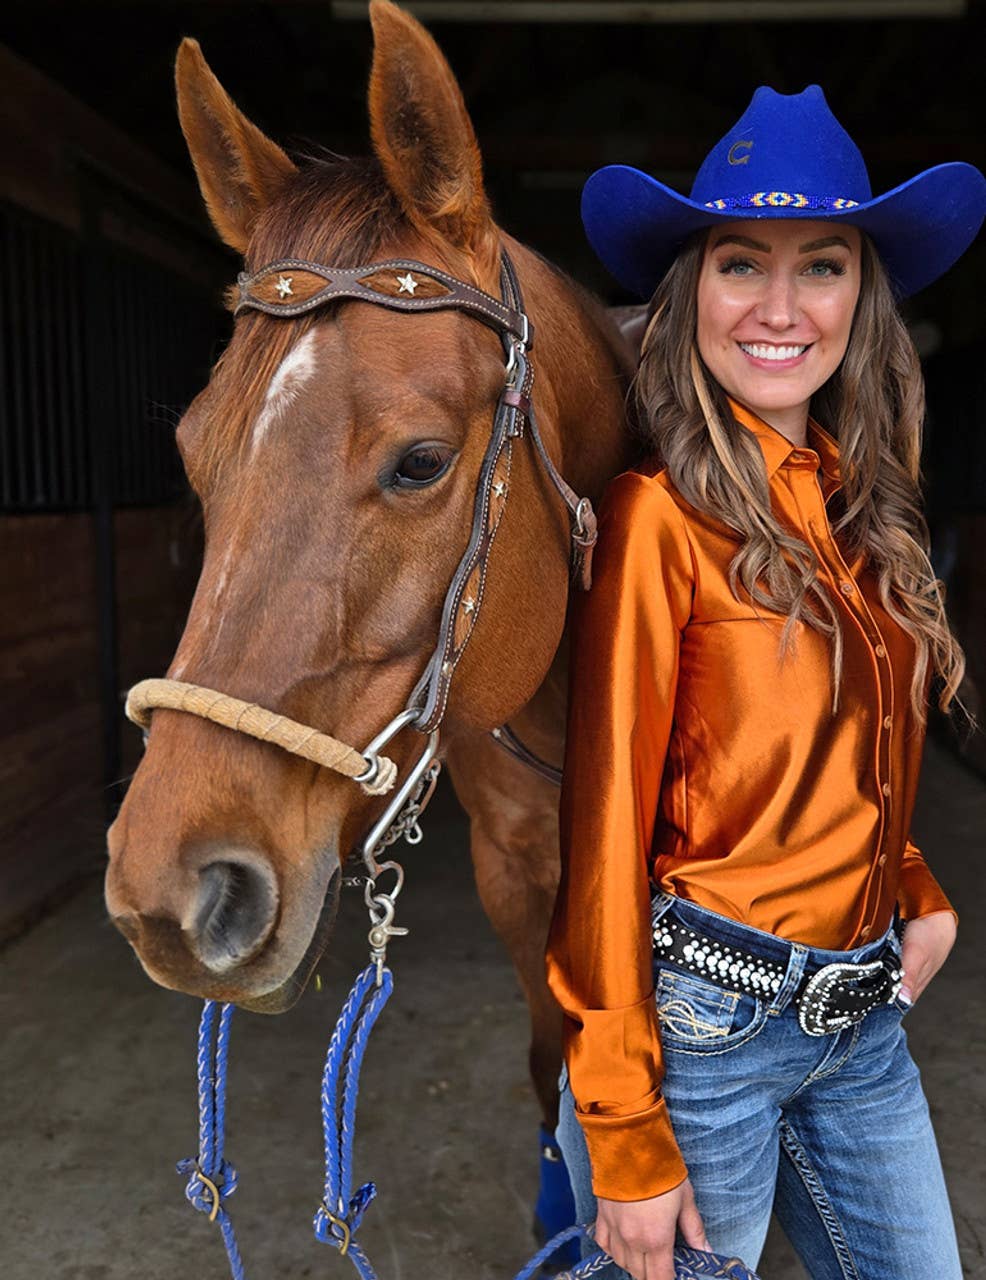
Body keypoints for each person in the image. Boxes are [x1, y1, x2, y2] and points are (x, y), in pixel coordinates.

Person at [545, 85, 986, 1280]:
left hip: (861, 1026)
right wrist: (625, 1130)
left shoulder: (856, 504)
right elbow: (600, 837)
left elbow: (849, 747)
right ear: (692, 293)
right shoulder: (656, 522)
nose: (781, 308)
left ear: (863, 295)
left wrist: (911, 876)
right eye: (741, 263)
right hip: (705, 1031)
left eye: (822, 265)